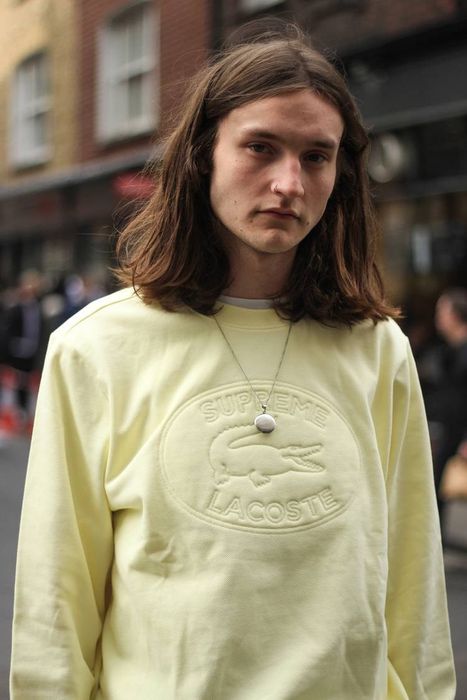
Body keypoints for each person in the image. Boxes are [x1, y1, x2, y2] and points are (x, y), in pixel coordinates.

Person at [10, 21, 455, 700]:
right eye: (260, 147)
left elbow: (413, 585)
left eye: (316, 156)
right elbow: (55, 603)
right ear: (202, 156)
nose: (288, 182)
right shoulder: (95, 347)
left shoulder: (376, 349)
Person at [431, 287, 467, 526]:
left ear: (455, 315)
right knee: (439, 489)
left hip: (460, 435)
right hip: (448, 431)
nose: (438, 317)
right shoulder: (447, 351)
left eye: (441, 311)